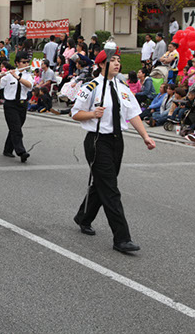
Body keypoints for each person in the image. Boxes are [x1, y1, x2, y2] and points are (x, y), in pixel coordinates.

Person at [71, 48, 156, 253]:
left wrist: (145, 136)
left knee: (103, 183)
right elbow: (75, 113)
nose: (117, 64)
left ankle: (83, 216)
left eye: (119, 60)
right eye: (113, 60)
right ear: (101, 64)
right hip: (97, 141)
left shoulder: (123, 87)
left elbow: (133, 113)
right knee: (110, 189)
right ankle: (122, 238)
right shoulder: (90, 86)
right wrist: (92, 113)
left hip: (117, 141)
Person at [0, 51, 33, 162]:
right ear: (17, 63)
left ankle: (8, 149)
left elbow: (29, 85)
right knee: (16, 129)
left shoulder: (27, 75)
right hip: (10, 105)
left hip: (22, 104)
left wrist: (17, 77)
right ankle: (21, 152)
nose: (26, 64)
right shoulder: (8, 75)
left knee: (15, 128)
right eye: (23, 62)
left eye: (27, 62)